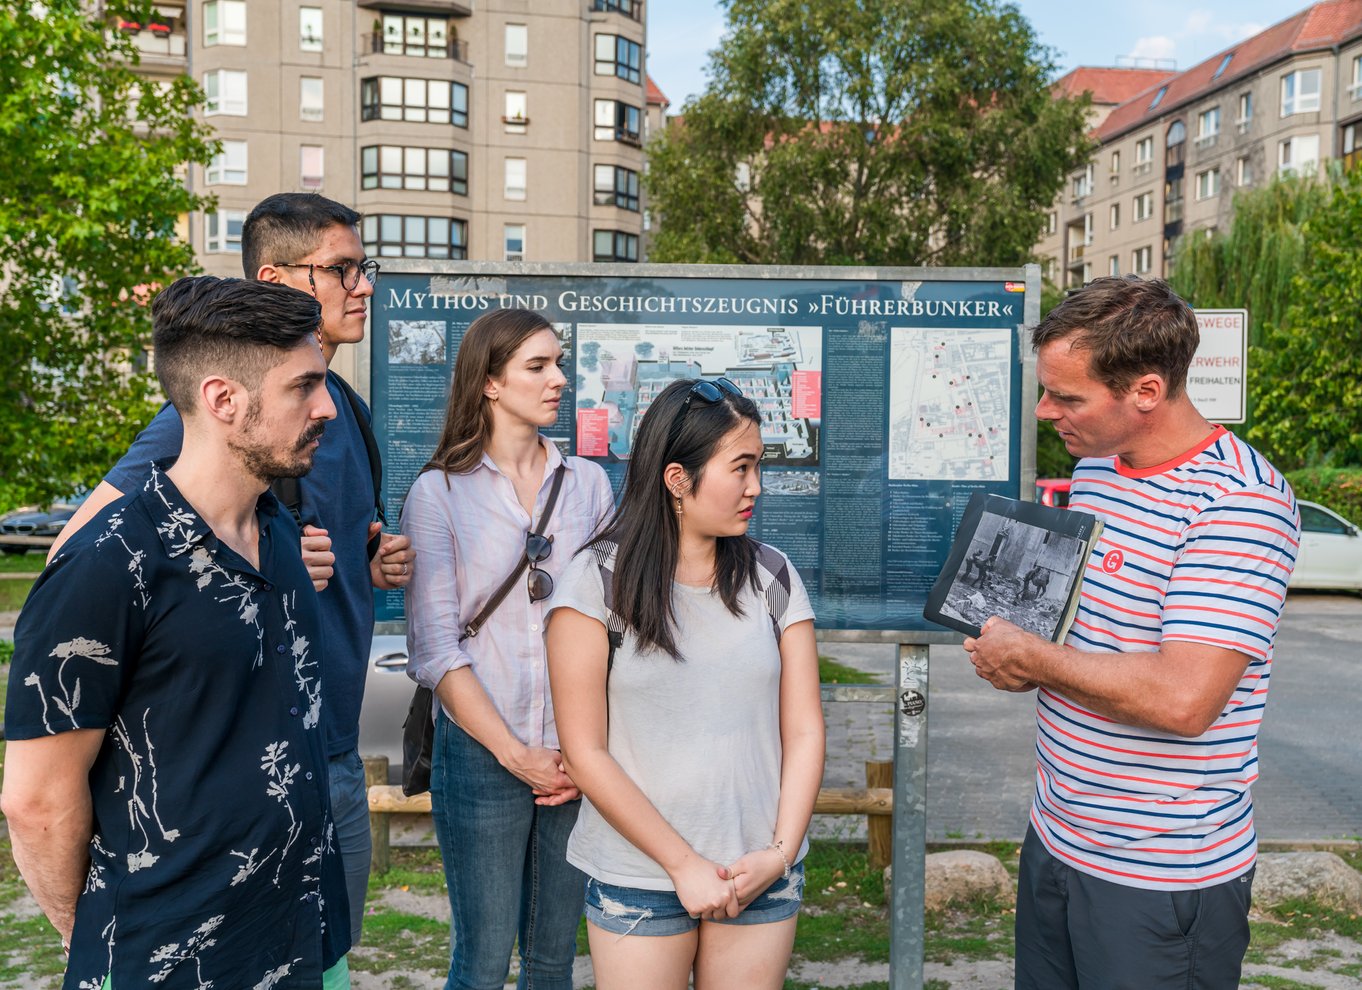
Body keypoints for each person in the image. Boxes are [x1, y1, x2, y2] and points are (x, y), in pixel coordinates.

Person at [48, 193, 412, 954]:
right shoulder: (216, 417)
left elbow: (337, 551)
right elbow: (79, 552)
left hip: (333, 750)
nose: (364, 286)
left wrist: (370, 563)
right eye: (341, 269)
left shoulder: (345, 407)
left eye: (363, 267)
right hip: (244, 773)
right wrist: (250, 567)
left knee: (327, 964)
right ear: (277, 280)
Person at [1, 276, 351, 988]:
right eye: (305, 387)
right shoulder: (106, 565)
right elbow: (35, 800)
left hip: (300, 934)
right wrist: (99, 939)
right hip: (170, 961)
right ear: (224, 400)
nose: (327, 408)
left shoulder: (278, 532)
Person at [963, 276, 1300, 990]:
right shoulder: (1094, 473)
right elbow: (1085, 645)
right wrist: (1022, 657)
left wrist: (1036, 657)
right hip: (1056, 838)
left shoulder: (1239, 504)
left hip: (1159, 871)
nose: (1045, 410)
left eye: (1068, 397)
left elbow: (1184, 701)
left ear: (1146, 392)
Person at [545, 377, 825, 990]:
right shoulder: (594, 584)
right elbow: (584, 751)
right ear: (678, 479)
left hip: (759, 868)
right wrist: (682, 863)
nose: (756, 487)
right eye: (741, 468)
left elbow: (804, 730)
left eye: (758, 468)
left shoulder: (773, 577)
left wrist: (778, 855)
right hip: (637, 872)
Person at [402, 308, 615, 990]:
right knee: (484, 958)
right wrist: (515, 753)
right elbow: (436, 650)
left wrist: (584, 755)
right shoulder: (438, 493)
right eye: (538, 366)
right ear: (490, 383)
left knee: (554, 958)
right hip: (481, 751)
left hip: (577, 752)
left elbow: (614, 627)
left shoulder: (589, 486)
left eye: (559, 363)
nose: (559, 379)